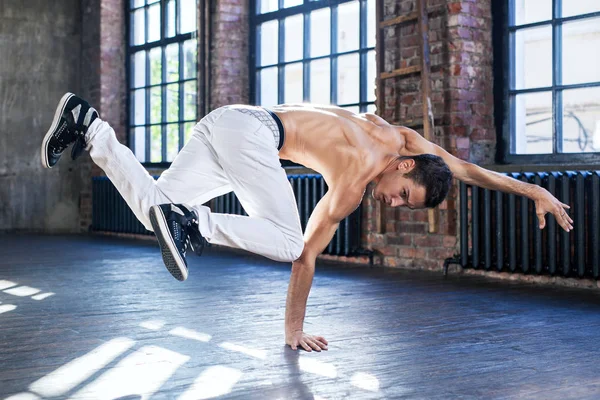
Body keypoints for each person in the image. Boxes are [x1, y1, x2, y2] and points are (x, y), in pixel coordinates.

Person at [42, 93, 573, 352]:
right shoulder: (356, 178)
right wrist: (293, 330)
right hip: (252, 136)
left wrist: (532, 189)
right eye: (403, 195)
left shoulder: (396, 135)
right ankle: (194, 223)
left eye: (405, 206)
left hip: (227, 124)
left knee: (151, 209)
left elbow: (463, 168)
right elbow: (303, 255)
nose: (394, 203)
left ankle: (89, 127)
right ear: (404, 167)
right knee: (286, 236)